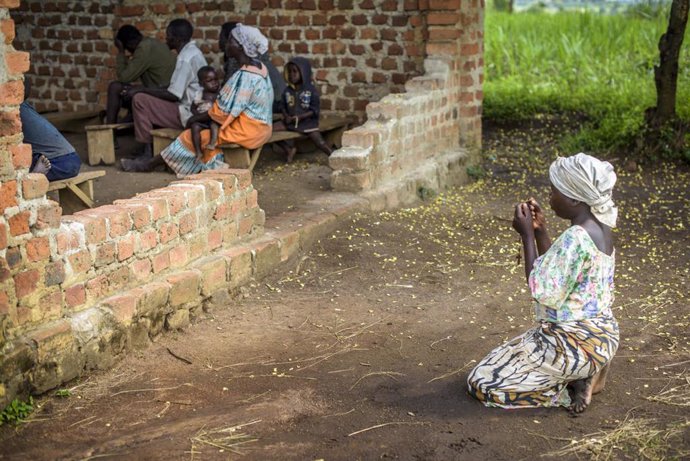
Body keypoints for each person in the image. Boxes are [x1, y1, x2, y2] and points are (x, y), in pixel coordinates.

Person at [467, 153, 620, 413]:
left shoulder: (576, 237)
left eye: (553, 191)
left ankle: (567, 386)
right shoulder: (599, 229)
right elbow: (560, 274)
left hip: (569, 342)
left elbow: (543, 289)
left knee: (482, 383)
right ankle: (589, 370)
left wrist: (526, 235)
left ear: (573, 197)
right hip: (601, 336)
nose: (549, 198)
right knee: (499, 359)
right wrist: (540, 231)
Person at [120, 24, 273, 177]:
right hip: (263, 128)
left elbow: (220, 112)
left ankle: (149, 164)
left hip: (248, 132)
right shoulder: (259, 68)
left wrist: (194, 118)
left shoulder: (244, 77)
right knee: (204, 131)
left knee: (189, 136)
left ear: (241, 46)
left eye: (230, 41)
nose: (227, 44)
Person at [121, 18, 207, 165]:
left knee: (140, 99)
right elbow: (176, 86)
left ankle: (147, 153)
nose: (166, 38)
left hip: (189, 113)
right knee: (143, 95)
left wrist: (141, 89)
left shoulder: (185, 58)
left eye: (168, 35)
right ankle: (147, 149)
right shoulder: (192, 52)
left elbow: (173, 95)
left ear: (177, 38)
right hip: (194, 108)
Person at [105, 25, 176, 124]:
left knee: (115, 87)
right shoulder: (151, 43)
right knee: (131, 91)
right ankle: (126, 120)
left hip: (163, 97)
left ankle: (109, 131)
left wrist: (121, 52)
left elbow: (124, 78)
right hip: (162, 92)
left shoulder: (144, 48)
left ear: (129, 44)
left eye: (127, 49)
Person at [273, 57, 332, 162]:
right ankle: (288, 149)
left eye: (295, 71)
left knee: (320, 142)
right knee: (268, 130)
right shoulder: (287, 91)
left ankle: (334, 157)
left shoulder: (311, 91)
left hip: (307, 124)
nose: (292, 74)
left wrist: (301, 117)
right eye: (290, 71)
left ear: (303, 72)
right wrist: (286, 116)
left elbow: (315, 110)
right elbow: (282, 106)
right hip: (290, 123)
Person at [218, 22, 285, 112]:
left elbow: (229, 97)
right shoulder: (250, 61)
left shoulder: (246, 67)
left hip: (274, 106)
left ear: (240, 45)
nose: (221, 42)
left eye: (228, 40)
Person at [20, 99, 81, 181]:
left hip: (56, 162)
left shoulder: (12, 110)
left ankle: (33, 177)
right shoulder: (22, 105)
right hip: (72, 158)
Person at [190, 66, 221, 157]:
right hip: (202, 120)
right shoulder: (199, 94)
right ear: (201, 84)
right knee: (194, 126)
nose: (214, 83)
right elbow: (193, 107)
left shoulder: (219, 94)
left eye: (216, 79)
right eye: (209, 81)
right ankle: (198, 151)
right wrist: (197, 115)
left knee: (214, 124)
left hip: (213, 119)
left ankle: (212, 143)